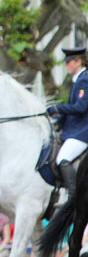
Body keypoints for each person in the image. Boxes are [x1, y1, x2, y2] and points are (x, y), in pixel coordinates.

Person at [47, 46, 88, 196]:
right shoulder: (78, 80)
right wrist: (58, 119)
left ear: (78, 62)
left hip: (82, 131)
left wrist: (58, 108)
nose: (66, 65)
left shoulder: (84, 80)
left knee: (63, 158)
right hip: (75, 129)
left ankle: (73, 194)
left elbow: (81, 107)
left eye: (69, 61)